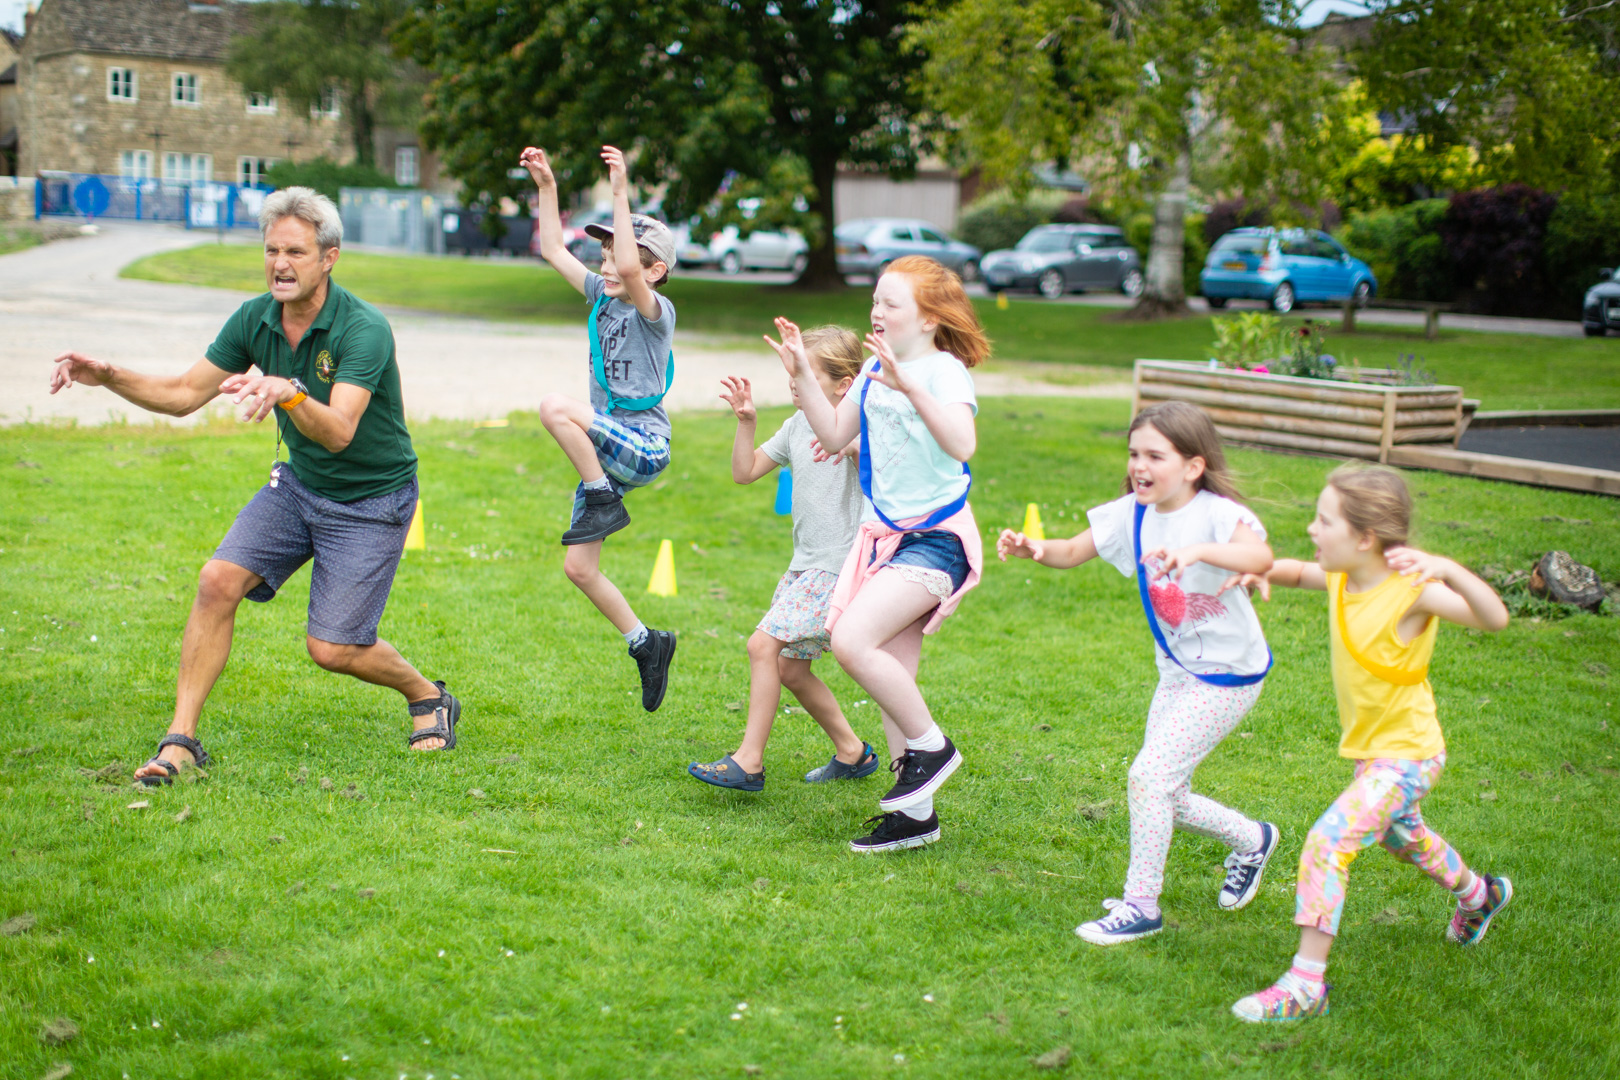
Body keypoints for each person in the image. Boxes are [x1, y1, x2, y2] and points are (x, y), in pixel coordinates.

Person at [46, 187, 460, 785]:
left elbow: (340, 430)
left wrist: (289, 391)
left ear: (329, 258)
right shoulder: (253, 318)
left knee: (333, 649)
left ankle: (428, 697)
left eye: (295, 251)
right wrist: (107, 375)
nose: (280, 264)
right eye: (271, 250)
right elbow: (184, 395)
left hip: (371, 500)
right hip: (298, 487)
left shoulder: (363, 328)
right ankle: (180, 742)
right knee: (217, 581)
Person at [1228, 464, 1512, 1023]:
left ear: (1364, 538)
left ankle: (1305, 985)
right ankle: (1479, 896)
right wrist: (1254, 572)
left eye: (1323, 519)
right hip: (1373, 759)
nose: (1311, 528)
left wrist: (1449, 569)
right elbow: (1293, 570)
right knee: (1406, 838)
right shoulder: (1340, 576)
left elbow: (1495, 618)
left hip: (1409, 757)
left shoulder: (1413, 595)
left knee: (1328, 841)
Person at [998, 401, 1279, 945]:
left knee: (1149, 778)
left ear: (1193, 466)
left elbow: (1259, 556)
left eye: (1155, 455)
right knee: (1163, 790)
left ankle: (1141, 904)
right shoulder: (1132, 513)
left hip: (1229, 674)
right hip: (1177, 672)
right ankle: (1252, 839)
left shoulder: (1217, 515)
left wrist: (1197, 551)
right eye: (1133, 454)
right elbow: (1072, 550)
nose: (1139, 466)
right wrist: (1036, 549)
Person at [770, 256, 987, 853]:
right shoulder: (870, 367)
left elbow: (963, 444)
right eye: (875, 300)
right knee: (894, 676)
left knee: (851, 641)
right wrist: (803, 375)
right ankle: (915, 818)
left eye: (891, 303)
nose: (876, 311)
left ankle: (933, 747)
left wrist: (908, 384)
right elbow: (835, 435)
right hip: (885, 538)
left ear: (928, 317)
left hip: (937, 538)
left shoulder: (943, 373)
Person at [521, 144, 679, 711]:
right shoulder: (600, 297)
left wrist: (619, 190)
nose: (609, 266)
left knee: (555, 406)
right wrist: (547, 185)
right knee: (578, 566)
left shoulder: (652, 312)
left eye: (619, 256)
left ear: (654, 270)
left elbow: (631, 269)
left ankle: (600, 495)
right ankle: (647, 643)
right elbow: (551, 248)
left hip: (643, 446)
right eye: (605, 254)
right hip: (606, 446)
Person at [688, 327, 881, 792]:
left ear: (844, 383)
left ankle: (748, 761)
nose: (793, 381)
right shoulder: (797, 426)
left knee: (761, 646)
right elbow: (744, 472)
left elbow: (880, 465)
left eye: (803, 372)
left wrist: (851, 445)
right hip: (805, 565)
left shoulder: (857, 427)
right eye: (790, 370)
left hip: (838, 564)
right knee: (790, 667)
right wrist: (746, 421)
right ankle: (853, 752)